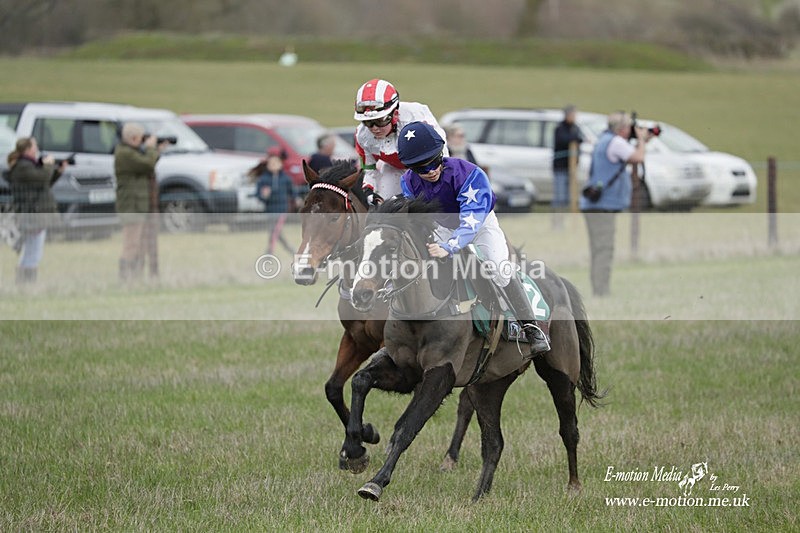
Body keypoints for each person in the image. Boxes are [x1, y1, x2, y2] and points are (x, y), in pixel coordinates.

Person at [397, 121, 550, 356]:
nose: (430, 170)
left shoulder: (469, 175)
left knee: (499, 268)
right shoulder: (408, 182)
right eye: (421, 167)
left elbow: (471, 222)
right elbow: (418, 219)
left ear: (441, 153)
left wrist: (449, 247)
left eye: (434, 161)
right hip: (443, 226)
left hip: (480, 225)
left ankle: (531, 328)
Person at [580, 111, 652, 296]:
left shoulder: (604, 140)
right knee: (604, 249)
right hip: (602, 206)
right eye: (628, 127)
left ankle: (599, 288)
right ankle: (601, 291)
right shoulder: (616, 142)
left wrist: (642, 140)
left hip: (594, 205)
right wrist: (642, 141)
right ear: (621, 129)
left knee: (598, 248)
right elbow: (638, 157)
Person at [353, 78, 448, 204]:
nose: (375, 128)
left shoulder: (416, 116)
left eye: (380, 121)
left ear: (395, 114)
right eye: (368, 122)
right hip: (394, 170)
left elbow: (441, 154)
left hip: (428, 168)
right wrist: (368, 191)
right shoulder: (362, 135)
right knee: (385, 206)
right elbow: (369, 169)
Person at [6, 137, 67, 284]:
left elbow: (44, 184)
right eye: (34, 146)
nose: (37, 149)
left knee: (33, 252)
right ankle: (25, 285)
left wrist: (58, 172)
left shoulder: (29, 166)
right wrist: (48, 165)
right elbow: (41, 179)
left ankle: (25, 284)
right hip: (32, 215)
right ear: (27, 149)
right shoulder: (23, 167)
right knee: (32, 253)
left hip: (35, 214)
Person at [114, 122, 167, 281]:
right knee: (131, 245)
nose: (142, 141)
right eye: (140, 138)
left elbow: (147, 164)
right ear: (133, 138)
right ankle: (125, 278)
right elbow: (147, 164)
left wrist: (156, 151)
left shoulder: (132, 153)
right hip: (131, 207)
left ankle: (136, 277)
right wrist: (151, 148)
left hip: (138, 206)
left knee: (139, 246)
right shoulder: (125, 154)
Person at [251, 147, 300, 254]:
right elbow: (258, 195)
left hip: (282, 209)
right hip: (269, 209)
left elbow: (292, 192)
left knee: (275, 231)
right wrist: (264, 196)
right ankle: (291, 249)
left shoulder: (286, 178)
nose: (273, 165)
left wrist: (296, 199)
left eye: (275, 162)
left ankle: (269, 252)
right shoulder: (263, 179)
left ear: (280, 164)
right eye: (271, 163)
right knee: (275, 232)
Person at [552, 104, 584, 214]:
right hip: (560, 167)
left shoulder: (575, 127)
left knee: (571, 196)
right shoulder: (560, 128)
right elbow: (564, 139)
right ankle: (557, 222)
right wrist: (575, 138)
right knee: (560, 197)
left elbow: (581, 138)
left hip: (572, 168)